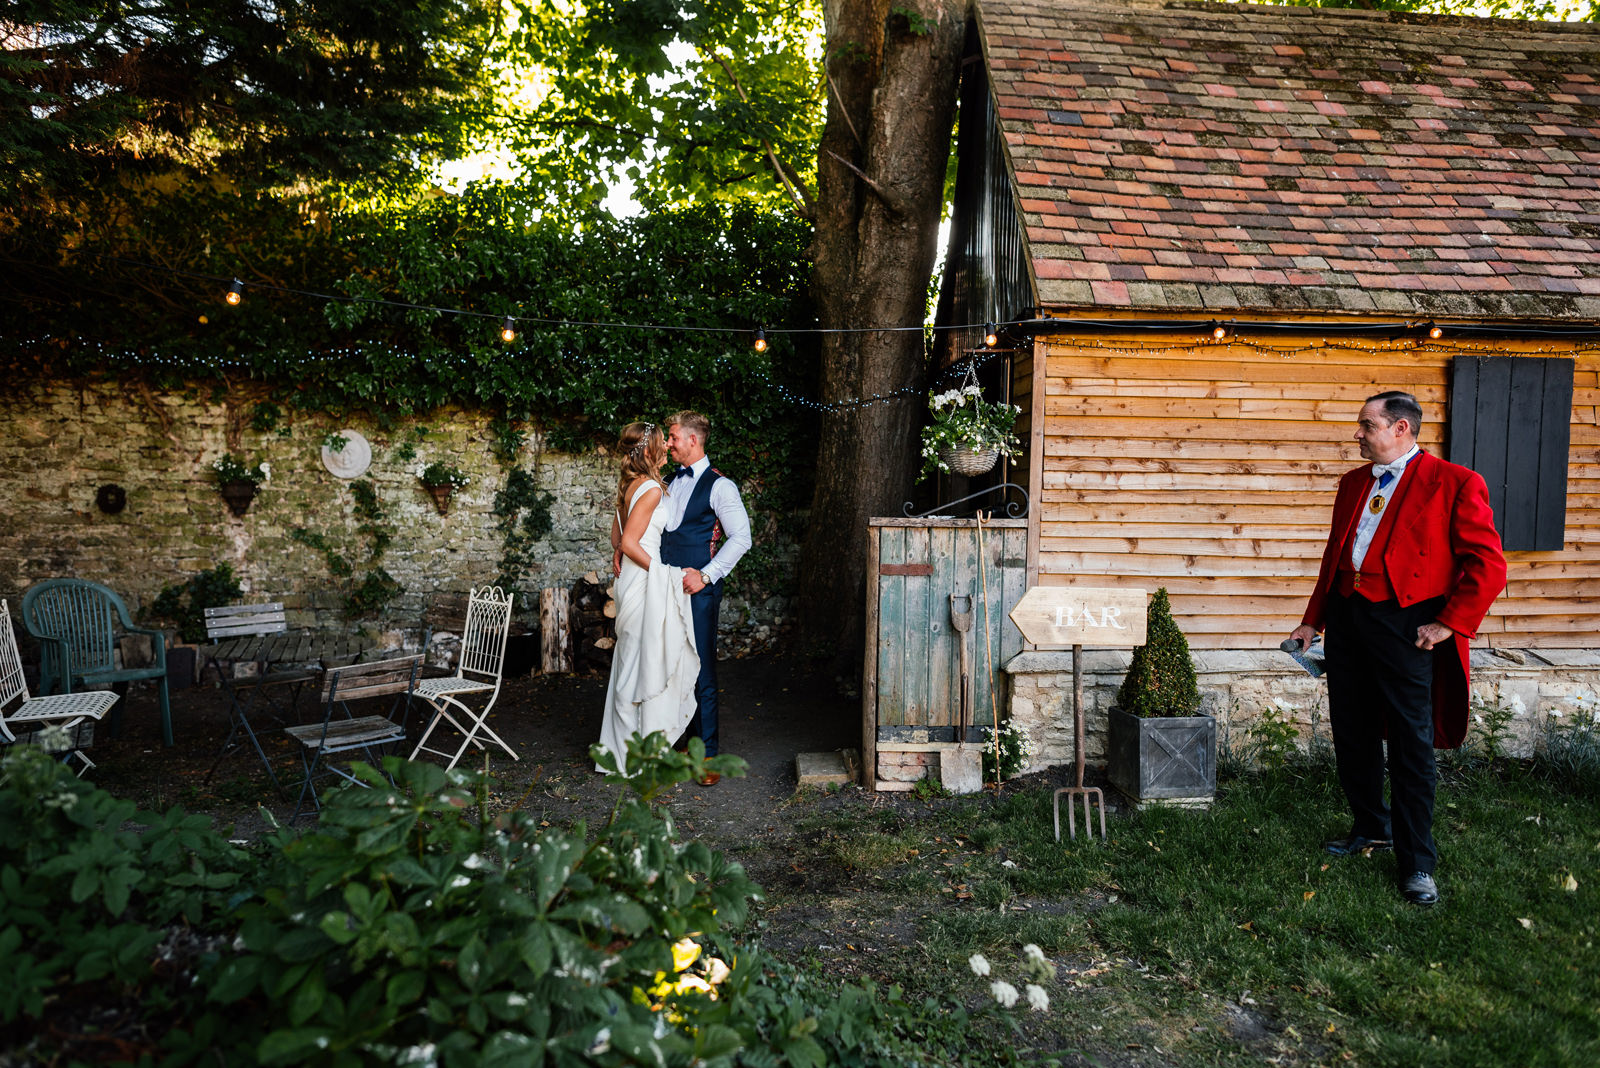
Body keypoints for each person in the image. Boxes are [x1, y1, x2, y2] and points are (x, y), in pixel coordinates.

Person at [1290, 391, 1506, 907]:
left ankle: (1417, 864)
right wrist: (1312, 620)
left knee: (1411, 744)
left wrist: (1449, 623)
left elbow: (1488, 563)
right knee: (1353, 731)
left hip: (1408, 625)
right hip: (1347, 617)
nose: (1358, 434)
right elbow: (1334, 557)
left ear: (1402, 428)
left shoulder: (1455, 482)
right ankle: (1371, 826)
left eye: (1368, 425)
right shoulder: (1351, 484)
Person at [595, 422, 700, 773]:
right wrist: (665, 573)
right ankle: (628, 759)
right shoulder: (652, 489)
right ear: (650, 450)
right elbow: (627, 543)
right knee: (637, 669)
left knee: (631, 665)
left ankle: (624, 752)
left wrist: (623, 553)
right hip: (643, 581)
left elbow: (617, 538)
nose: (666, 447)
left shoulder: (629, 485)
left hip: (632, 579)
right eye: (661, 443)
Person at [661, 410, 752, 786]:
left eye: (673, 437)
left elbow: (741, 538)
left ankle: (709, 752)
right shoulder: (667, 480)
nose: (668, 444)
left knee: (701, 669)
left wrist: (708, 575)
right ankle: (684, 740)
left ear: (693, 440)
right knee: (671, 665)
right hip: (664, 588)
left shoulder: (720, 486)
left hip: (698, 590)